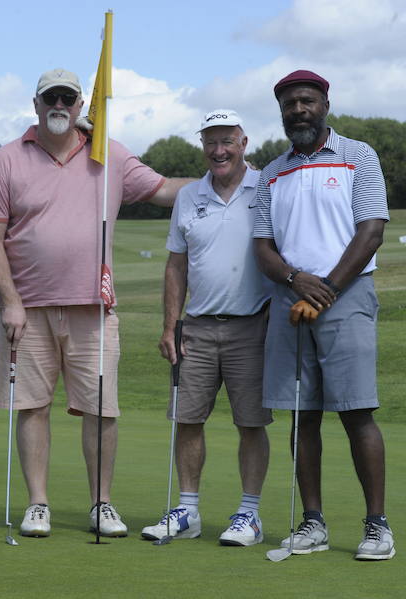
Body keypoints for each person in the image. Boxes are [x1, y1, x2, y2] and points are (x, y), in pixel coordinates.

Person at [0, 68, 192, 538]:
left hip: (92, 307)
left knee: (101, 409)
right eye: (50, 96)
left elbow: (165, 191)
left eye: (67, 97)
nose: (59, 104)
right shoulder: (7, 160)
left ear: (79, 105)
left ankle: (101, 503)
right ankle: (38, 504)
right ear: (36, 104)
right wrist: (9, 300)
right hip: (26, 309)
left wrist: (230, 175)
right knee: (32, 407)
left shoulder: (108, 154)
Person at [253, 70, 395, 560]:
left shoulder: (358, 156)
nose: (299, 111)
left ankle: (377, 526)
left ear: (325, 104)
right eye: (290, 104)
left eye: (307, 101)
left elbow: (371, 230)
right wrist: (295, 282)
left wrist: (327, 289)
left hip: (346, 295)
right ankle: (312, 523)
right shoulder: (272, 172)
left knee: (357, 412)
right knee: (301, 416)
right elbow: (263, 248)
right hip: (290, 302)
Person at [140, 110, 273, 547]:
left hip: (252, 327)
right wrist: (169, 325)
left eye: (227, 142)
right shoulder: (189, 196)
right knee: (188, 419)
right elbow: (176, 265)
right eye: (210, 142)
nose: (219, 151)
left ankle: (249, 515)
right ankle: (189, 510)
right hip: (196, 328)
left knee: (251, 423)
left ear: (243, 142)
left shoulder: (267, 187)